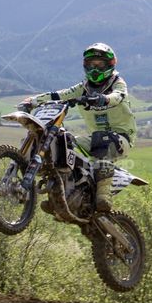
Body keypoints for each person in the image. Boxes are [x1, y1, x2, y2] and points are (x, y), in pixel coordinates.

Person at [18, 42, 137, 212]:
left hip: (121, 137)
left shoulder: (118, 83)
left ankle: (103, 196)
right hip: (94, 138)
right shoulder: (83, 88)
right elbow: (59, 94)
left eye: (99, 65)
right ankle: (62, 194)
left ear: (110, 65)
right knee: (64, 144)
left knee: (102, 139)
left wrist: (104, 98)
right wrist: (33, 101)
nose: (94, 69)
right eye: (90, 65)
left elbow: (118, 96)